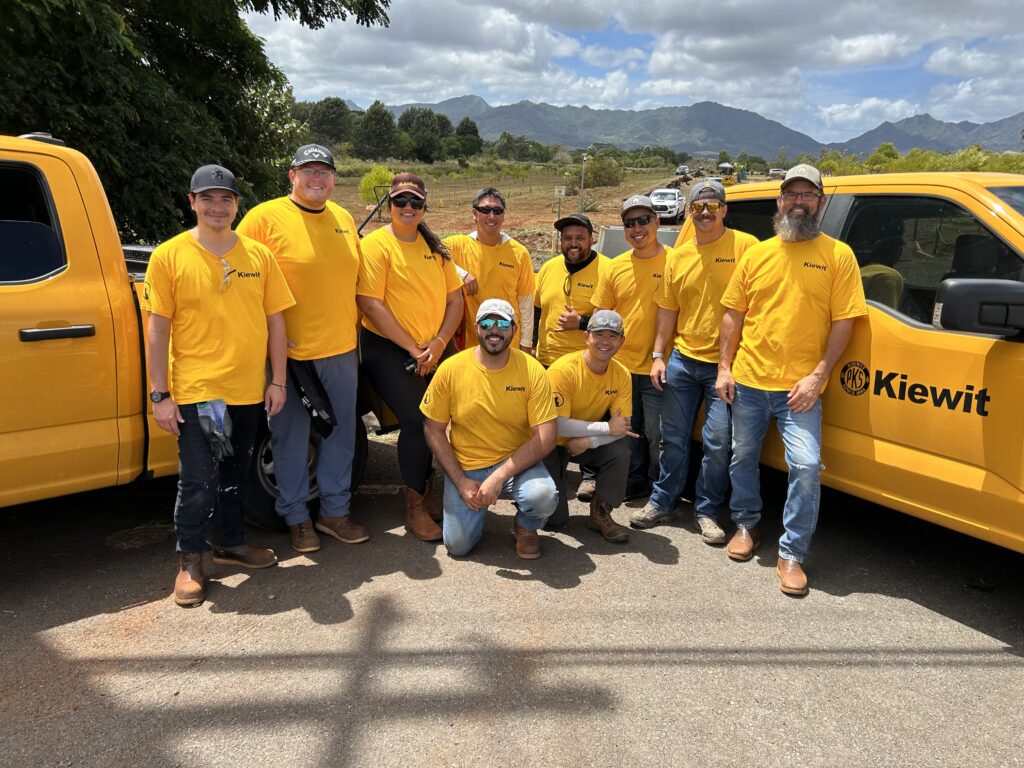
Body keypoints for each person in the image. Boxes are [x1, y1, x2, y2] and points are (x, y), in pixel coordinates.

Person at [142, 164, 295, 607]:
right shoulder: (169, 256)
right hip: (198, 394)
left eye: (225, 199)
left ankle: (231, 544)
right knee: (198, 481)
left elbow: (276, 321)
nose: (217, 207)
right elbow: (158, 330)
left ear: (235, 206)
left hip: (248, 391)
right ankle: (191, 560)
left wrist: (278, 381)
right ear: (191, 203)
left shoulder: (258, 256)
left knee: (235, 475)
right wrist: (160, 394)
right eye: (207, 199)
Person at [716, 164, 868, 596]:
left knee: (804, 465)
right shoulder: (757, 255)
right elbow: (734, 315)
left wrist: (819, 375)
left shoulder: (838, 255)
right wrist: (725, 367)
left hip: (799, 390)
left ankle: (792, 554)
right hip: (748, 380)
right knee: (741, 457)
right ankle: (745, 527)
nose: (798, 202)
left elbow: (844, 322)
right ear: (779, 202)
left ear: (820, 202)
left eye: (808, 195)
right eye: (791, 195)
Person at [236, 144, 366, 554]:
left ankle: (334, 513)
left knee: (340, 434)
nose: (317, 178)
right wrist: (263, 332)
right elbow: (240, 281)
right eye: (308, 170)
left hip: (341, 349)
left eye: (324, 171)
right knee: (289, 437)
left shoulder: (343, 218)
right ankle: (296, 518)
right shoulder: (263, 218)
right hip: (287, 355)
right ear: (291, 175)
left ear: (333, 178)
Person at [632, 181, 759, 543]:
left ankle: (706, 511)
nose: (705, 213)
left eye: (712, 206)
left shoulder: (746, 247)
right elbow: (668, 310)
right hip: (683, 361)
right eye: (698, 207)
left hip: (725, 365)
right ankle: (662, 501)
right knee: (673, 439)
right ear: (689, 212)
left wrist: (729, 365)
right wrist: (659, 355)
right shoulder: (679, 255)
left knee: (717, 443)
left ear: (724, 209)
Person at [356, 173, 464, 543]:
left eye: (415, 203)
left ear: (424, 207)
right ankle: (415, 504)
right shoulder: (376, 246)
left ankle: (428, 491)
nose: (407, 208)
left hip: (435, 346)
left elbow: (455, 300)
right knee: (417, 420)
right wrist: (413, 348)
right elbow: (371, 303)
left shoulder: (435, 248)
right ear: (389, 205)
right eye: (400, 201)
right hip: (388, 348)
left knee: (440, 419)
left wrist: (438, 342)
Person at [421, 299, 559, 560]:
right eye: (487, 322)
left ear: (514, 329)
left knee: (543, 496)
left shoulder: (532, 369)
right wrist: (461, 481)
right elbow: (433, 429)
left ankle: (526, 526)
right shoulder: (451, 368)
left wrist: (498, 478)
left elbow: (546, 437)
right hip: (468, 466)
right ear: (476, 327)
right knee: (457, 547)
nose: (494, 330)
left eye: (502, 323)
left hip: (516, 464)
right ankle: (475, 510)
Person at [591, 195, 668, 500]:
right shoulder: (615, 267)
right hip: (620, 366)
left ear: (657, 222)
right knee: (628, 430)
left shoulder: (675, 261)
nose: (637, 228)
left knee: (659, 434)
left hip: (658, 364)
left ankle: (660, 486)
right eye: (629, 223)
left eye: (643, 220)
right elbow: (601, 314)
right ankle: (634, 480)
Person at [542, 310, 635, 543]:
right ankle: (526, 485)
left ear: (621, 341)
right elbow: (557, 426)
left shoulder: (622, 375)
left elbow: (621, 427)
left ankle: (601, 513)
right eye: (599, 334)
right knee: (555, 520)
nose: (605, 341)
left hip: (581, 441)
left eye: (613, 336)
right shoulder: (563, 370)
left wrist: (589, 442)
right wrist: (603, 430)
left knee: (620, 451)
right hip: (547, 443)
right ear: (586, 337)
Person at [535, 213, 609, 502]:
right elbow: (539, 310)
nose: (573, 243)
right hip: (548, 361)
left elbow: (613, 321)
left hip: (586, 363)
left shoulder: (608, 269)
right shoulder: (549, 268)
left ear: (592, 238)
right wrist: (530, 349)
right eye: (567, 238)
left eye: (580, 237)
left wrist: (581, 323)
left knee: (587, 421)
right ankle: (551, 473)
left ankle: (590, 477)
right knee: (549, 422)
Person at [443, 188, 535, 352]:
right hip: (470, 345)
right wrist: (461, 274)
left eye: (497, 211)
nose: (492, 216)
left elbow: (526, 304)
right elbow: (430, 255)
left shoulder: (519, 253)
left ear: (503, 215)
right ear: (474, 214)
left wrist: (526, 345)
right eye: (485, 210)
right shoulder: (457, 246)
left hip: (508, 344)